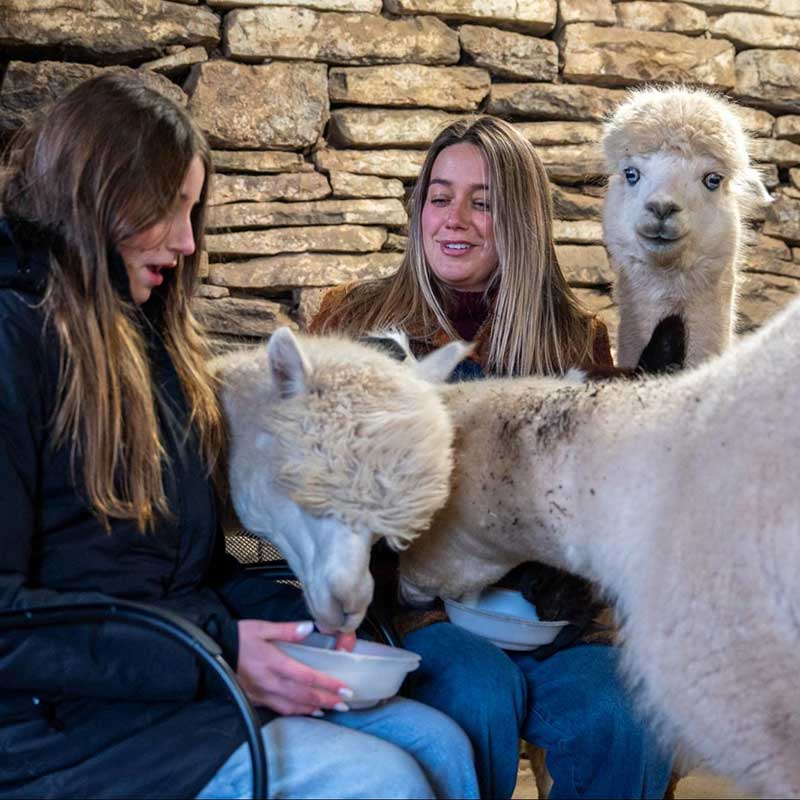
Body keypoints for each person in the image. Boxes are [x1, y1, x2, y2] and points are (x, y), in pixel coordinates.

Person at [0, 72, 480, 800]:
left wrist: (307, 636)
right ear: (100, 192)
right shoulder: (13, 340)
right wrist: (218, 653)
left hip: (165, 687)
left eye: (194, 212)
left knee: (443, 744)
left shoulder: (151, 347)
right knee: (383, 781)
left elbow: (185, 575)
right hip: (61, 734)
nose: (189, 242)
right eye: (171, 209)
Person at [311, 116, 675, 799]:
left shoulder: (574, 342)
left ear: (521, 221)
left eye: (484, 203)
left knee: (625, 714)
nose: (456, 219)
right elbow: (309, 481)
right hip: (407, 606)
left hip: (548, 616)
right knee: (474, 691)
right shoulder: (352, 321)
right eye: (439, 195)